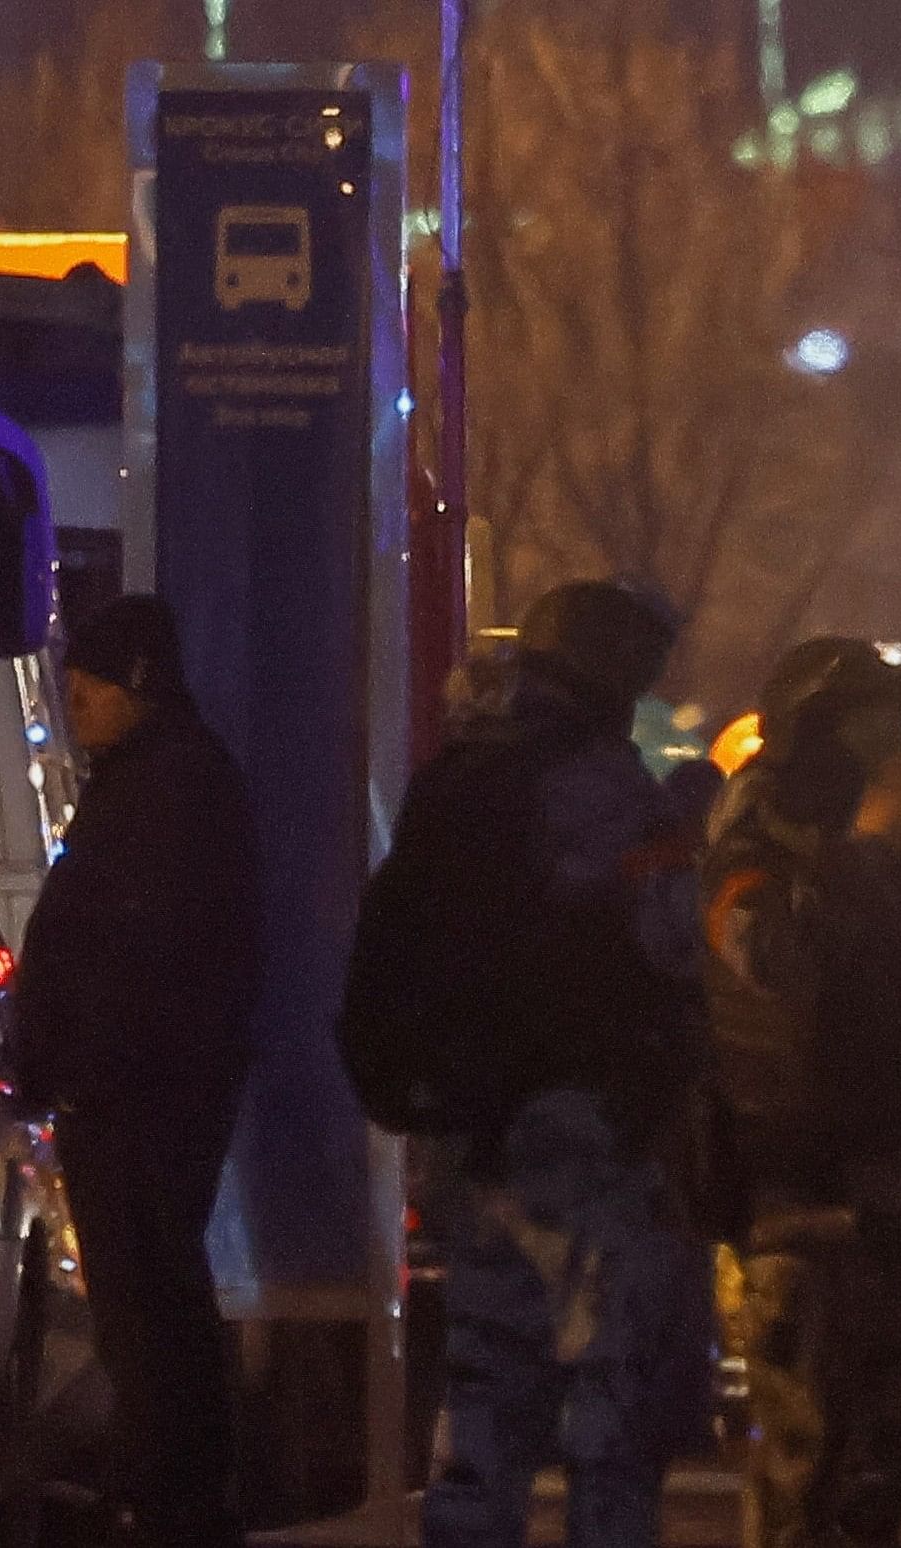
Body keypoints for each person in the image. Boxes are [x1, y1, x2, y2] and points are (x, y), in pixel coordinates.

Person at [367, 581, 712, 1548]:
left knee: (486, 1407)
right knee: (610, 1406)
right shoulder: (600, 785)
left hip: (474, 1133)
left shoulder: (458, 778)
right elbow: (670, 944)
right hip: (585, 1134)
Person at [703, 637, 901, 1548]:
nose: (898, 748)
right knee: (807, 1454)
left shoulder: (890, 867)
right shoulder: (760, 846)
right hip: (805, 1201)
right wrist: (852, 859)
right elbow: (775, 973)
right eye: (875, 728)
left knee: (887, 1453)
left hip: (900, 1196)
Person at [13, 596, 258, 1548]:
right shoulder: (151, 780)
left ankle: (172, 1502)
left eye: (96, 680)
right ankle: (169, 1491)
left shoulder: (166, 790)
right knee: (149, 1305)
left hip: (138, 1101)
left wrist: (86, 1068)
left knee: (149, 1307)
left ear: (142, 685)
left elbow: (139, 955)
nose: (75, 696)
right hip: (138, 1093)